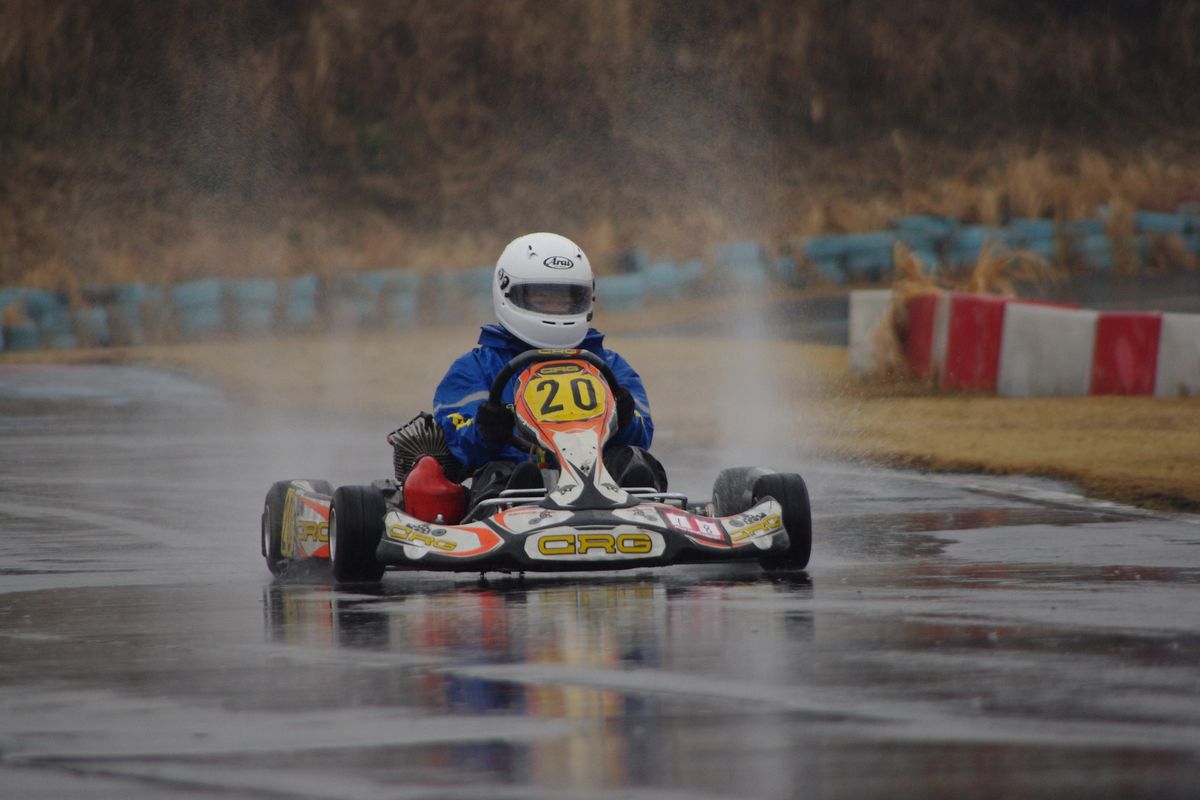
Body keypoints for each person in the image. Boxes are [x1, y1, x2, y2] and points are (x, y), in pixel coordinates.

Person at [433, 232, 667, 507]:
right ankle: (516, 511)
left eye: (566, 299)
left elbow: (643, 431)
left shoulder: (610, 366)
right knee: (507, 473)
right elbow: (456, 437)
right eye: (542, 298)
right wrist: (484, 430)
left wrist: (626, 418)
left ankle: (640, 512)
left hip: (600, 476)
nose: (554, 307)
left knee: (635, 462)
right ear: (508, 291)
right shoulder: (475, 369)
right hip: (521, 478)